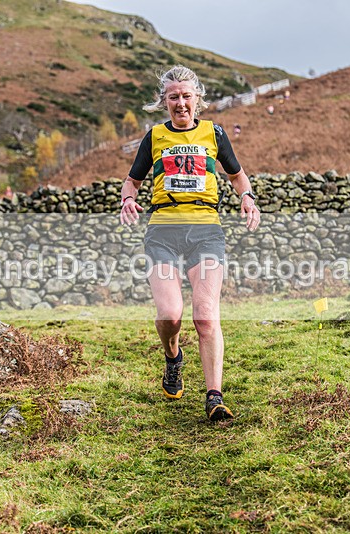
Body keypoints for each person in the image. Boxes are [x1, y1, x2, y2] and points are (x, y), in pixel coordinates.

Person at [119, 65, 260, 422]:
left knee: (205, 316)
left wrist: (247, 198)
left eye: (186, 96)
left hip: (205, 232)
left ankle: (215, 396)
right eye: (173, 97)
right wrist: (127, 199)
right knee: (170, 315)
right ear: (163, 101)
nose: (180, 104)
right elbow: (131, 181)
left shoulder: (215, 134)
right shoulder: (154, 137)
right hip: (163, 232)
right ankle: (173, 358)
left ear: (198, 98)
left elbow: (238, 176)